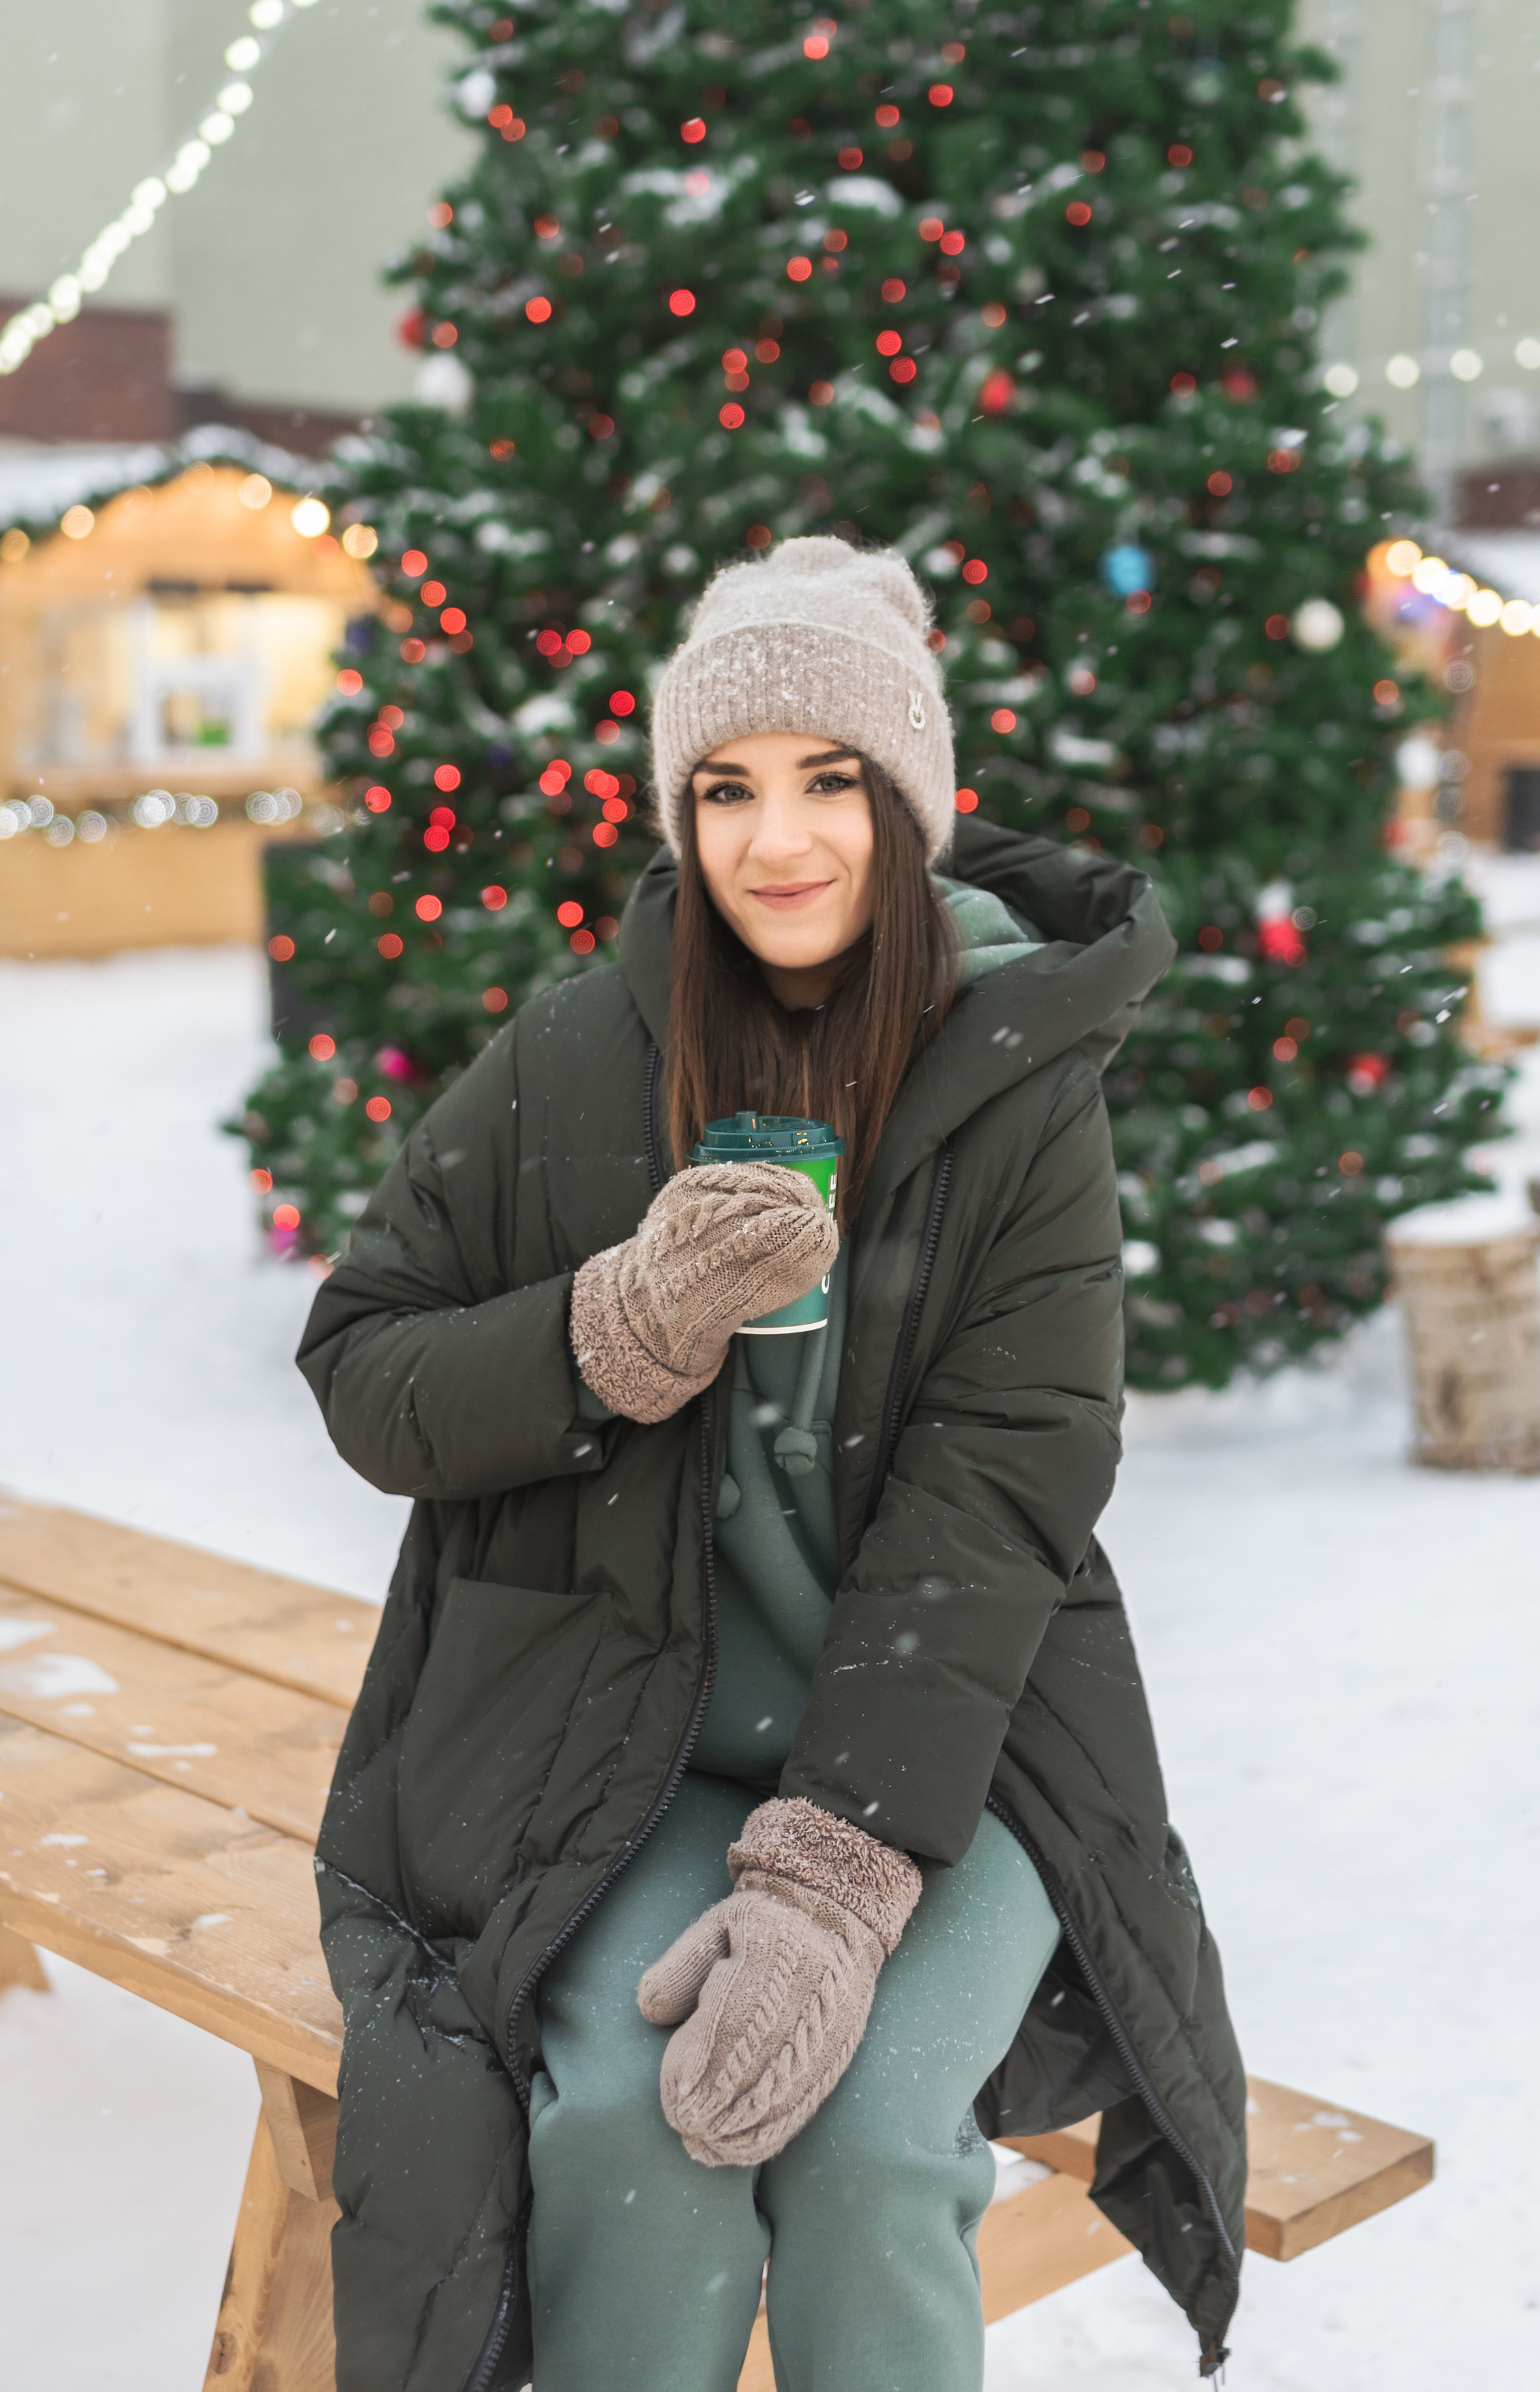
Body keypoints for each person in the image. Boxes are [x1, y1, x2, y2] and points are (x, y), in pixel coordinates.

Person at [299, 535, 1246, 2392]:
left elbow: (1004, 1494)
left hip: (954, 1761)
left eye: (831, 781)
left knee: (880, 2132)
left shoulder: (1018, 1087)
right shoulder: (580, 1054)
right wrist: (611, 1330)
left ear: (909, 804)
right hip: (627, 1745)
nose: (775, 837)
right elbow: (366, 1369)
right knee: (632, 2133)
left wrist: (829, 1884)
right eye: (726, 788)